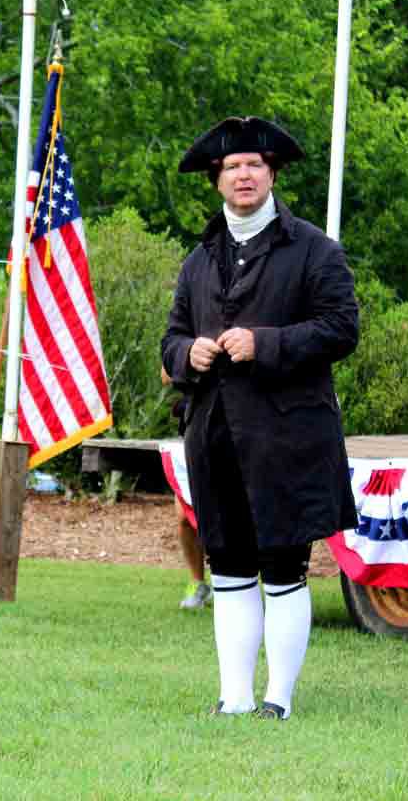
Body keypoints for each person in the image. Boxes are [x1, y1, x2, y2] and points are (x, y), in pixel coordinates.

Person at [161, 116, 359, 721]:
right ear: (216, 180)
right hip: (215, 435)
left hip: (288, 437)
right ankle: (235, 698)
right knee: (230, 568)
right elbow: (170, 339)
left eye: (254, 165)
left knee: (282, 568)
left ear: (271, 174)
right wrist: (186, 355)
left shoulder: (315, 250)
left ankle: (279, 699)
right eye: (231, 167)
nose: (242, 175)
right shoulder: (198, 260)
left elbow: (341, 329)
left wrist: (265, 344)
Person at [162, 366, 212, 610]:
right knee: (184, 516)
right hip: (196, 423)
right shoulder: (192, 328)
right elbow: (165, 374)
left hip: (243, 424)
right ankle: (198, 583)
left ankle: (242, 584)